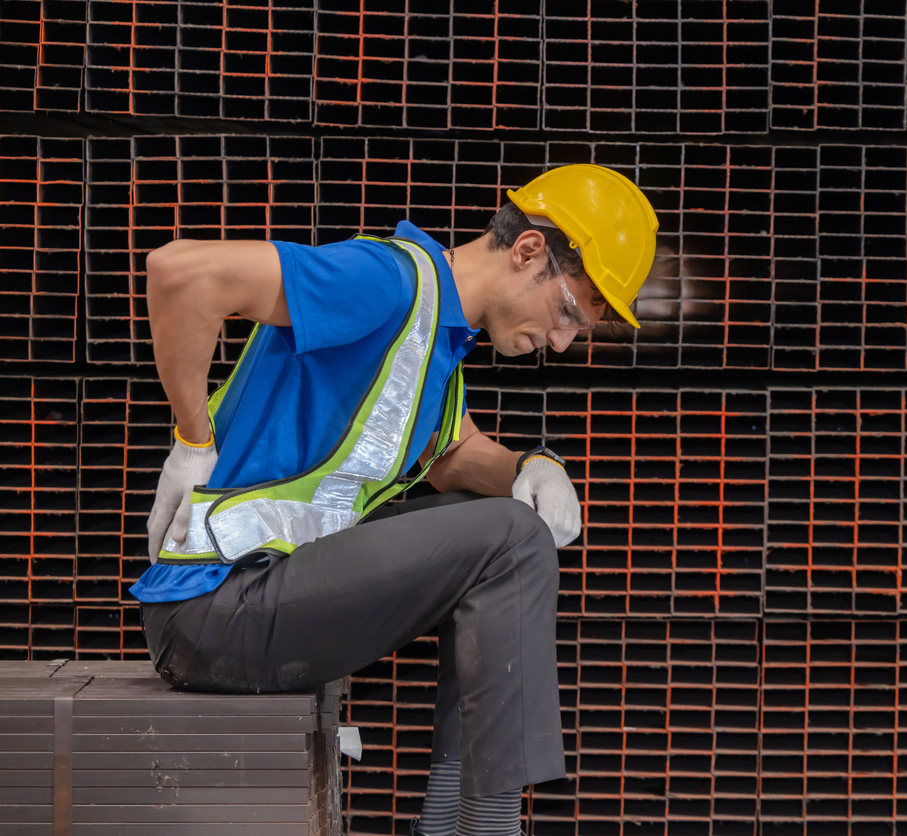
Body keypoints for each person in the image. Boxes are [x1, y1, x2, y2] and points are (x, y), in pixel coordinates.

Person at [130, 165, 659, 836]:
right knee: (508, 541)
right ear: (528, 250)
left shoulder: (437, 340)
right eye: (567, 314)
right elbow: (182, 272)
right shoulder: (385, 282)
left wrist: (535, 467)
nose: (559, 342)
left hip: (260, 598)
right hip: (216, 609)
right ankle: (485, 826)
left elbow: (454, 459)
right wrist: (190, 440)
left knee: (502, 531)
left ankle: (447, 824)